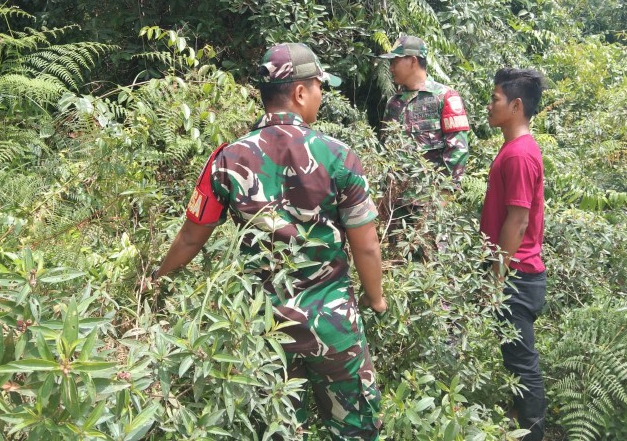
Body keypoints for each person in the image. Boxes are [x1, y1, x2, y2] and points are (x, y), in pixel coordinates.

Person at [152, 42, 387, 440]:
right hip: (332, 324)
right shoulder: (339, 156)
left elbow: (192, 236)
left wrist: (155, 282)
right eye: (318, 88)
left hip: (262, 328)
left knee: (277, 428)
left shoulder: (226, 159)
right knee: (356, 429)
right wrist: (375, 298)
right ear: (299, 93)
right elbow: (366, 245)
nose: (321, 97)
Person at [480, 67, 547, 441]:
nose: (490, 106)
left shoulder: (520, 154)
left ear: (516, 105)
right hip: (516, 272)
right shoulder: (514, 148)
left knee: (523, 364)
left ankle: (533, 435)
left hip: (518, 276)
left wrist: (497, 276)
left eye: (495, 99)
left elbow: (518, 221)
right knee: (515, 360)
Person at [378, 34, 470, 184]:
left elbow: (458, 150)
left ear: (413, 61)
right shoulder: (393, 103)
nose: (391, 68)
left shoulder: (445, 97)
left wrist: (447, 192)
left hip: (429, 200)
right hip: (394, 200)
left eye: (395, 61)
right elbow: (384, 148)